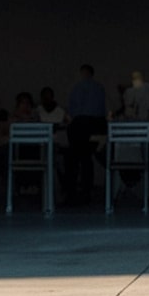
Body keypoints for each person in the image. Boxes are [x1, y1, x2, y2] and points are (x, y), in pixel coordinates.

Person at [65, 64, 107, 206]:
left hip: (79, 126)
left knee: (73, 159)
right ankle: (86, 192)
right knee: (86, 159)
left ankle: (71, 193)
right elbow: (102, 110)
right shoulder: (99, 88)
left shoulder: (77, 88)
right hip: (96, 127)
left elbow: (72, 110)